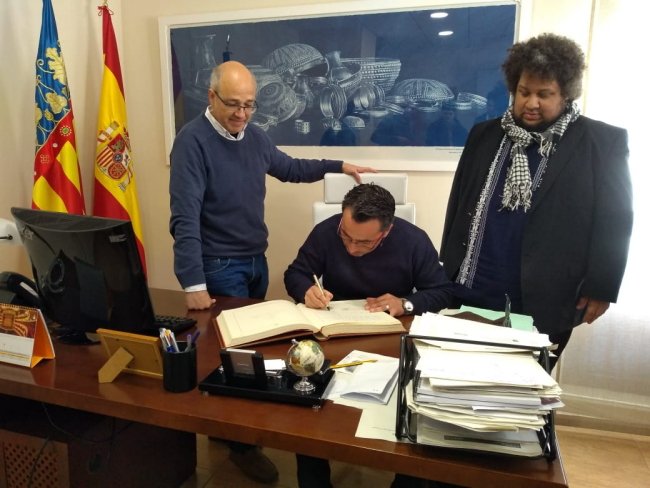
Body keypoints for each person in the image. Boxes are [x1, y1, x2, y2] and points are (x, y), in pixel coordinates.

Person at [169, 60, 374, 484]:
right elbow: (184, 217)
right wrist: (192, 281)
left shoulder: (255, 137)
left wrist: (339, 165)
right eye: (233, 104)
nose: (242, 114)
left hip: (254, 262)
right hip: (218, 265)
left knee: (249, 350)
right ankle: (241, 446)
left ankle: (231, 433)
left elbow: (291, 168)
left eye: (249, 105)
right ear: (211, 97)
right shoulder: (192, 142)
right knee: (235, 356)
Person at [440, 33, 633, 365]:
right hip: (473, 287)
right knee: (461, 376)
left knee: (525, 387)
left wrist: (601, 287)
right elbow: (459, 200)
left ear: (566, 94)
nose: (531, 103)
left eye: (544, 94)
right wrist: (446, 268)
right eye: (524, 92)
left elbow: (615, 219)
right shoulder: (483, 135)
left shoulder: (601, 142)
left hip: (548, 296)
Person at [284, 183, 453, 488]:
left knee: (409, 411)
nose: (352, 249)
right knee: (306, 405)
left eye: (364, 242)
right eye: (346, 236)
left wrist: (406, 303)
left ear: (386, 232)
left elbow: (442, 291)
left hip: (391, 340)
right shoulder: (326, 232)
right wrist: (306, 290)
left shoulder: (413, 240)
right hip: (335, 335)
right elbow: (294, 273)